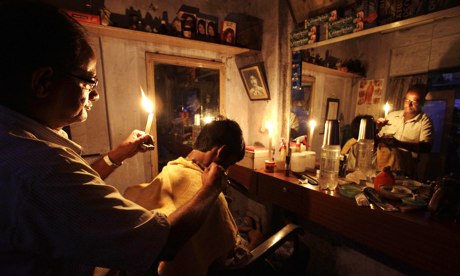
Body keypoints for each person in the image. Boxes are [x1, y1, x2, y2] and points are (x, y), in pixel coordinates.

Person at [0, 2, 226, 275]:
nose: (94, 95)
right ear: (43, 82)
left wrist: (116, 155)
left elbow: (71, 191)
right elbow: (161, 242)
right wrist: (212, 189)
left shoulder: (18, 141)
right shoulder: (40, 168)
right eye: (88, 81)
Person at [123, 118, 263, 275]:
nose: (226, 172)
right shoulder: (211, 196)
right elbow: (229, 259)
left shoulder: (171, 168)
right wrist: (255, 239)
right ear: (221, 152)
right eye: (228, 164)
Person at [376, 84, 434, 178]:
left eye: (414, 101)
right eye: (407, 100)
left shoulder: (425, 121)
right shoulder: (392, 116)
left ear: (422, 103)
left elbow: (426, 147)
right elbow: (378, 139)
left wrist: (399, 144)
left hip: (405, 170)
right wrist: (378, 128)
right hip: (382, 166)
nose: (409, 104)